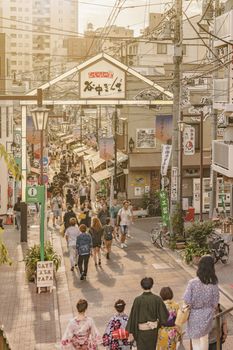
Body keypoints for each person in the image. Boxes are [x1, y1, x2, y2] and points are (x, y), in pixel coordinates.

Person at [183, 255, 219, 350]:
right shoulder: (214, 284)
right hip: (207, 316)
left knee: (195, 341)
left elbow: (187, 300)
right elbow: (215, 303)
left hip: (194, 315)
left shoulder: (192, 283)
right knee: (204, 339)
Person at [126, 277, 169, 350]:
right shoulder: (157, 299)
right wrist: (157, 324)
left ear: (141, 286)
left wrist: (131, 331)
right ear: (152, 285)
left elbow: (133, 316)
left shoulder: (138, 300)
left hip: (141, 332)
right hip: (153, 331)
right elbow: (164, 316)